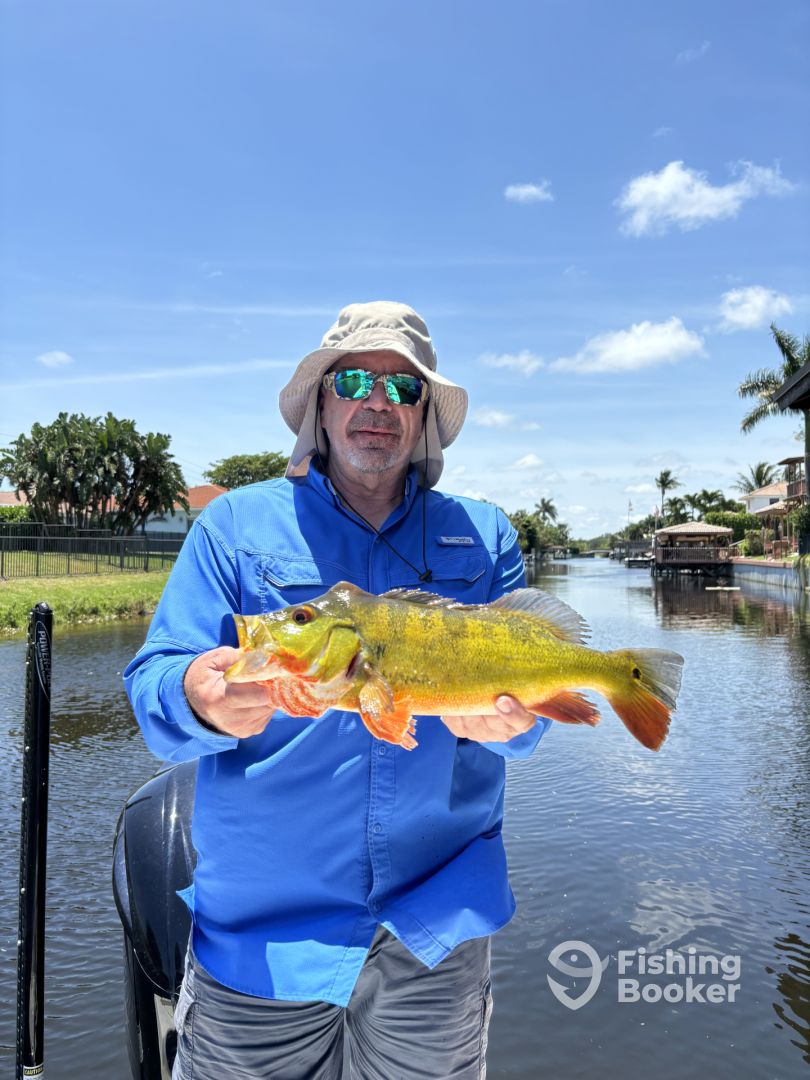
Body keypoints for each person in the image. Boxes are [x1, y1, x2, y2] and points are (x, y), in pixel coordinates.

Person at [124, 301, 551, 1079]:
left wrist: (516, 725)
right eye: (354, 381)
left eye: (403, 387)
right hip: (262, 936)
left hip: (437, 928)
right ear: (321, 405)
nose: (377, 402)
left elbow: (529, 720)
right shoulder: (232, 527)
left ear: (424, 415)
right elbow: (155, 691)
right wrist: (195, 694)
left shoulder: (486, 536)